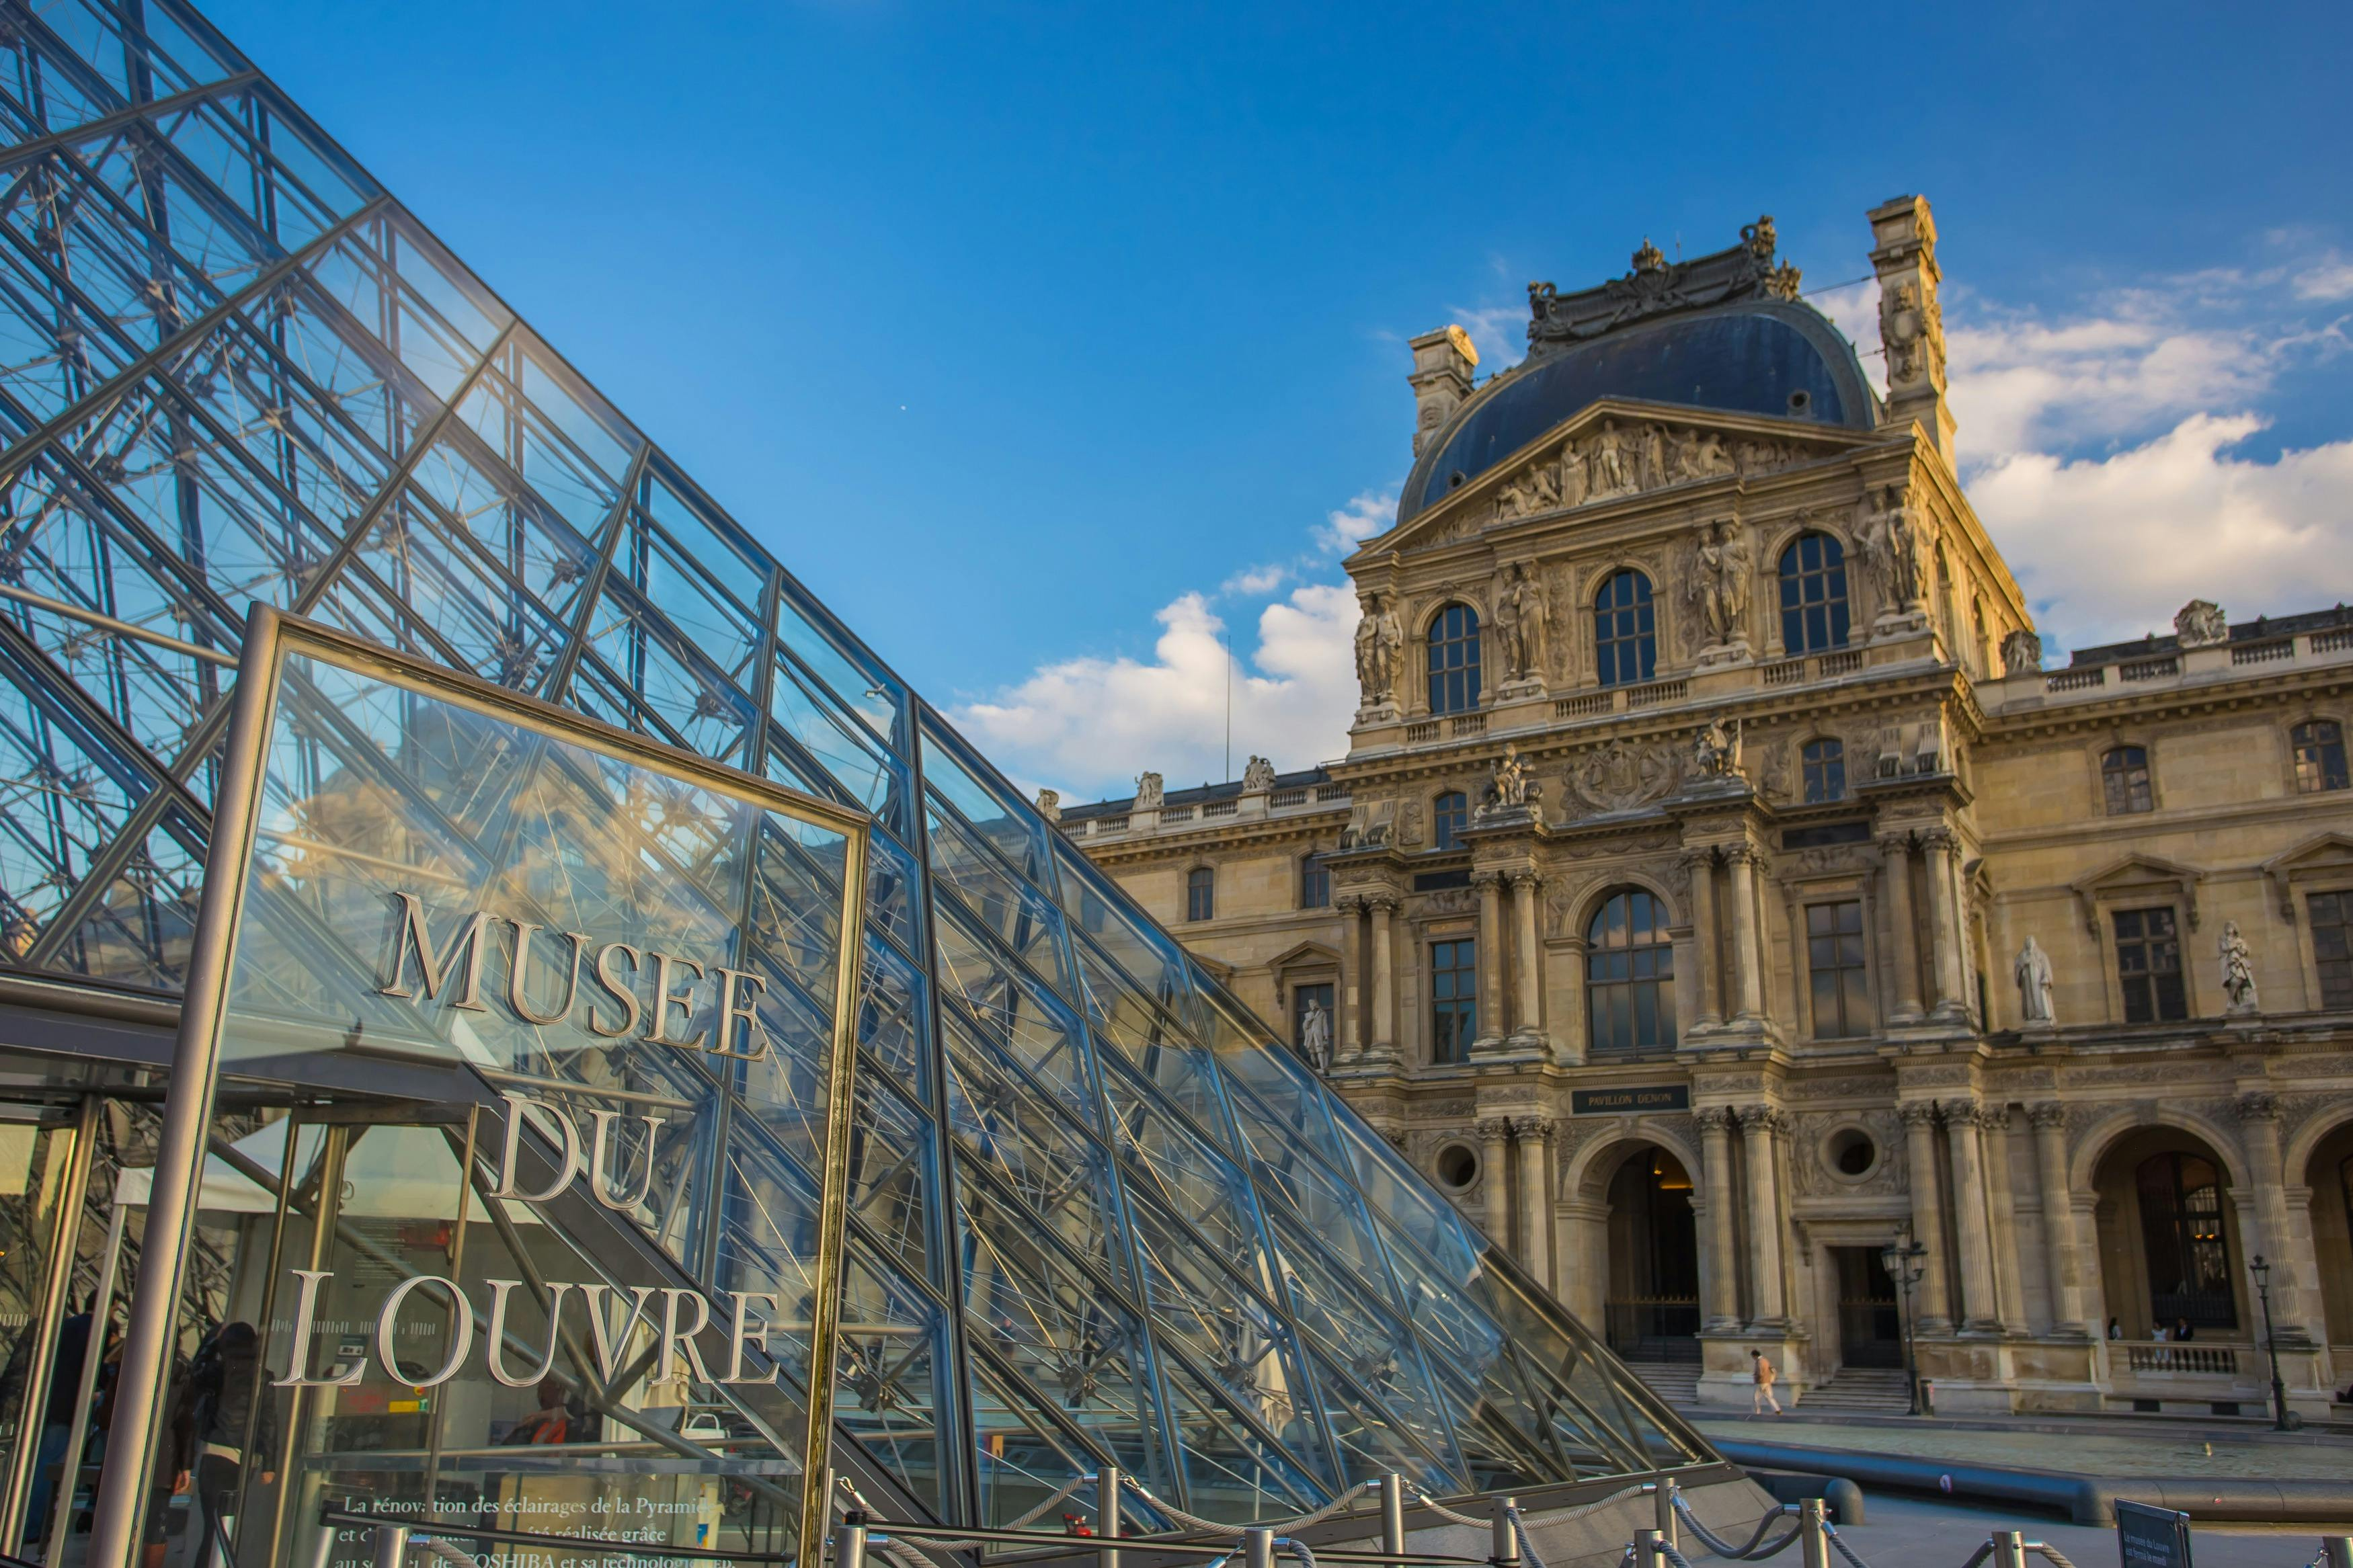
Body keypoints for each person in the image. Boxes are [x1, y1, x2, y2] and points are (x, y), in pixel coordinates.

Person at [172, 1322, 276, 1568]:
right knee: (228, 1525)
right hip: (245, 1460)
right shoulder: (264, 1376)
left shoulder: (217, 1372)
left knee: (212, 1527)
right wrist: (270, 1463)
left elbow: (194, 1371)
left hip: (216, 1454)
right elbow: (269, 1422)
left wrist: (211, 1342)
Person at [1748, 1348, 1782, 1415]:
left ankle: (1757, 1412)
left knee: (1756, 1398)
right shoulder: (1766, 1360)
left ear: (1755, 1356)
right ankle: (1777, 1410)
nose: (1753, 1358)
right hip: (1768, 1382)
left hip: (1761, 1382)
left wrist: (1755, 1376)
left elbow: (1760, 1373)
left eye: (1753, 1357)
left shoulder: (1759, 1362)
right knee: (1769, 1397)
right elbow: (1772, 1369)